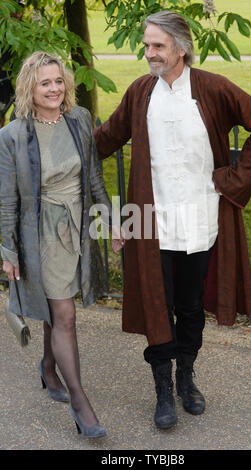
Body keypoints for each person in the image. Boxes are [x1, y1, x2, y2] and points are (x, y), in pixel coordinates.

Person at [94, 11, 251, 430]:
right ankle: (162, 388)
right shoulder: (141, 92)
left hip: (200, 217)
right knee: (157, 304)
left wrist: (231, 179)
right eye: (146, 45)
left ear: (181, 48)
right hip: (150, 221)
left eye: (157, 45)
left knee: (191, 306)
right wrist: (60, 134)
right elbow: (104, 140)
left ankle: (186, 378)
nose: (149, 53)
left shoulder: (211, 88)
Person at [0, 51, 111, 439]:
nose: (53, 89)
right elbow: (8, 199)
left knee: (59, 300)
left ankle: (49, 368)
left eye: (58, 81)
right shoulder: (13, 135)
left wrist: (109, 219)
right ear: (29, 87)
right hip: (41, 234)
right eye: (44, 82)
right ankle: (81, 405)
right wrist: (8, 251)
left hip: (77, 225)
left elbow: (94, 175)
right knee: (64, 313)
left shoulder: (79, 120)